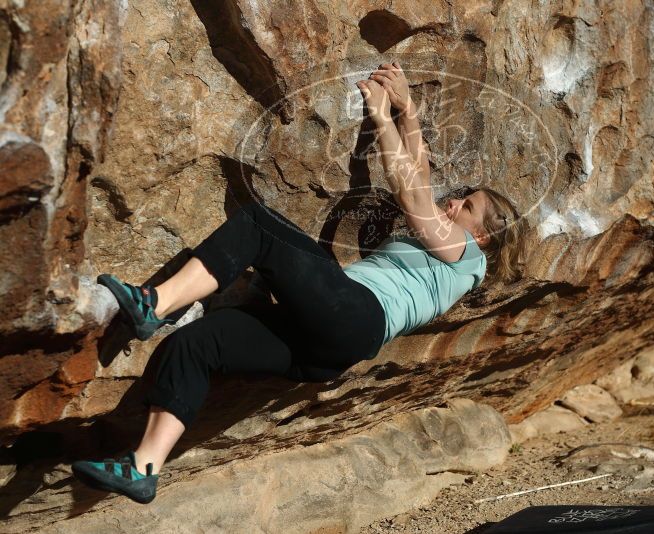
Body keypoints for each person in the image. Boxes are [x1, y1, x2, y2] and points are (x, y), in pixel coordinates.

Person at [71, 62, 529, 503]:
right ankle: (144, 468)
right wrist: (407, 112)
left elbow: (412, 194)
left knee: (259, 225)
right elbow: (422, 177)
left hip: (355, 314)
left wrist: (380, 118)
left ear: (484, 236)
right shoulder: (450, 255)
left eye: (465, 206)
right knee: (199, 342)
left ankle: (155, 304)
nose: (453, 205)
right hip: (328, 350)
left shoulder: (470, 259)